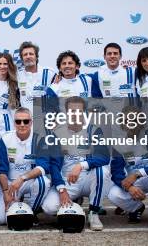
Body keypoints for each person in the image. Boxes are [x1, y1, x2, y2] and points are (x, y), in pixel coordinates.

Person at [41, 97, 110, 231]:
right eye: (72, 111)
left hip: (87, 177)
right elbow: (54, 165)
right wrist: (61, 189)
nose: (75, 115)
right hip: (67, 180)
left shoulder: (94, 130)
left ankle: (94, 212)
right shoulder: (57, 132)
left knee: (103, 171)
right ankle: (74, 201)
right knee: (49, 208)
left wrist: (81, 165)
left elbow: (104, 156)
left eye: (79, 111)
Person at [107, 105, 148, 232]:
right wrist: (129, 187)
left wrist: (137, 174)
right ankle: (136, 208)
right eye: (127, 121)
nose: (131, 124)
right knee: (113, 194)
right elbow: (116, 172)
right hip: (134, 183)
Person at [0, 107, 51, 225]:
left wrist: (22, 178)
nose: (22, 125)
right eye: (18, 121)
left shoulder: (40, 138)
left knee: (43, 182)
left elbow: (43, 166)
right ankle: (13, 202)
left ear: (31, 122)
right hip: (9, 183)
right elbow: (1, 169)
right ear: (14, 123)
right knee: (0, 219)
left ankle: (32, 211)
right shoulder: (5, 139)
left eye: (26, 121)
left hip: (28, 181)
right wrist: (5, 192)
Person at [17, 41, 56, 114]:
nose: (28, 56)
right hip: (26, 121)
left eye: (31, 54)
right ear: (22, 58)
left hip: (46, 120)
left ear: (36, 56)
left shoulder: (49, 73)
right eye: (25, 55)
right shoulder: (17, 76)